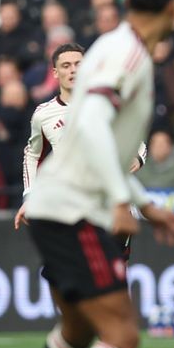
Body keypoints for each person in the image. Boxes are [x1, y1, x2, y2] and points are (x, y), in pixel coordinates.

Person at [4, 0, 174, 348]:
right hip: (73, 209)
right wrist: (119, 200)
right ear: (172, 8)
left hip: (63, 205)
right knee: (122, 334)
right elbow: (89, 126)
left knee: (80, 327)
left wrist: (145, 204)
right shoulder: (126, 54)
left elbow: (105, 138)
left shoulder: (118, 50)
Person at [15, 42, 148, 262]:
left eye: (78, 64)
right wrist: (29, 195)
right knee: (72, 274)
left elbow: (135, 134)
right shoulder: (43, 114)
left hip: (109, 198)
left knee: (114, 269)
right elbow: (32, 154)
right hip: (68, 201)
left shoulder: (107, 102)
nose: (73, 70)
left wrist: (138, 156)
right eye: (66, 65)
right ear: (55, 73)